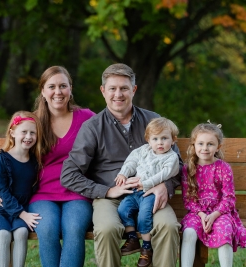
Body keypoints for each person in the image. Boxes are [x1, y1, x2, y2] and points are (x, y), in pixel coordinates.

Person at [61, 63, 183, 267]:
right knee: (107, 228)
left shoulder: (155, 121)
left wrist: (166, 186)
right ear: (103, 91)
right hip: (111, 198)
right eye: (112, 88)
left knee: (168, 226)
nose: (118, 94)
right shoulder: (92, 128)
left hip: (151, 192)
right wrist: (107, 191)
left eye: (124, 88)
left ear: (133, 90)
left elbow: (178, 163)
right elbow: (69, 174)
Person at [0, 66, 95, 267]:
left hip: (78, 191)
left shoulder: (87, 118)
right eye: (51, 86)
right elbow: (10, 152)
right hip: (42, 193)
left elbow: (108, 145)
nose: (58, 92)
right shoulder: (33, 121)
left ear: (71, 89)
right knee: (47, 228)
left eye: (63, 86)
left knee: (73, 228)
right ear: (43, 91)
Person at [180, 121, 246, 267]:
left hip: (220, 213)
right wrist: (202, 215)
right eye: (201, 144)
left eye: (210, 144)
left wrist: (214, 215)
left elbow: (229, 198)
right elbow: (189, 200)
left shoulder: (223, 168)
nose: (205, 148)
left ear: (218, 147)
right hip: (197, 213)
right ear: (194, 145)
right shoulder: (188, 169)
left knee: (225, 231)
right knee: (189, 233)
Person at [115, 117, 180, 267]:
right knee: (123, 209)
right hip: (135, 191)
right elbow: (131, 161)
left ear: (173, 140)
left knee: (144, 216)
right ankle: (132, 239)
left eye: (164, 138)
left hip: (150, 193)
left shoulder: (171, 157)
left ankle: (146, 247)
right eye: (155, 139)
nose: (160, 143)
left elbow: (164, 174)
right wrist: (124, 173)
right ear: (148, 140)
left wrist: (145, 184)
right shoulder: (143, 150)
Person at [0, 111, 43, 267]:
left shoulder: (35, 161)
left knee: (21, 232)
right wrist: (23, 215)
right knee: (3, 234)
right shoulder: (3, 159)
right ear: (12, 133)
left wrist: (25, 212)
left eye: (32, 133)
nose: (28, 136)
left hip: (20, 208)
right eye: (24, 132)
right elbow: (3, 192)